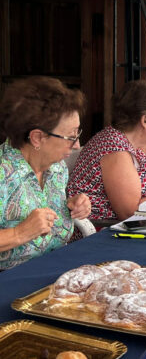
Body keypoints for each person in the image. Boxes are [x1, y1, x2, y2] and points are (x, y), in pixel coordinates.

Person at [0, 77, 91, 270]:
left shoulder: (56, 168)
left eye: (77, 134)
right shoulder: (3, 172)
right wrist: (19, 233)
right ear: (37, 137)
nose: (76, 145)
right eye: (70, 137)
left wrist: (72, 206)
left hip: (55, 270)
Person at [68, 80, 146, 220]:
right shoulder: (115, 151)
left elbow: (139, 185)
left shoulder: (128, 144)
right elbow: (130, 213)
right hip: (102, 232)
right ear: (144, 121)